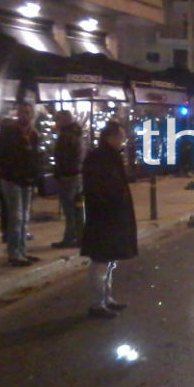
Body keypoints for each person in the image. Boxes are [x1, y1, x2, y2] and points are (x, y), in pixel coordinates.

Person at [80, 120, 137, 318]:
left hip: (113, 217)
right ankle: (97, 304)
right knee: (101, 261)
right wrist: (110, 206)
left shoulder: (111, 156)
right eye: (120, 137)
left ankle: (107, 298)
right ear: (110, 138)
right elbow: (99, 190)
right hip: (104, 218)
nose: (123, 141)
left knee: (110, 261)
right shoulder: (99, 158)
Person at [0, 103, 41, 267]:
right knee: (16, 217)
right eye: (22, 112)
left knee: (24, 217)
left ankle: (22, 251)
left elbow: (34, 158)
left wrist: (34, 176)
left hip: (26, 179)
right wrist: (5, 173)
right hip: (12, 179)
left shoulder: (33, 134)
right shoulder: (9, 133)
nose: (24, 115)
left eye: (27, 112)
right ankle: (14, 253)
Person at [51, 110, 84, 248]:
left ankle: (70, 237)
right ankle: (79, 236)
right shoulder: (76, 133)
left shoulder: (67, 135)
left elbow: (64, 156)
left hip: (68, 175)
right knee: (77, 208)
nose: (56, 122)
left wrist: (60, 171)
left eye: (58, 119)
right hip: (75, 174)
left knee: (70, 208)